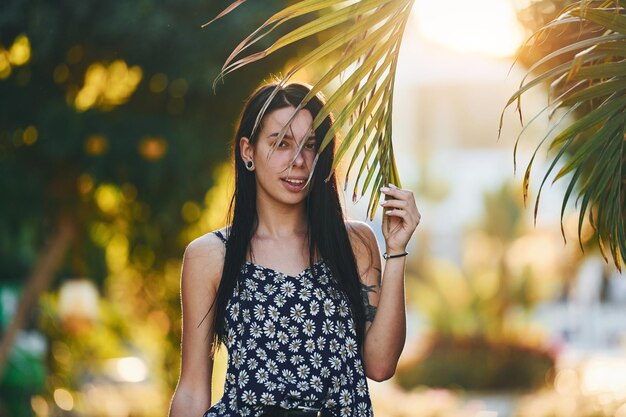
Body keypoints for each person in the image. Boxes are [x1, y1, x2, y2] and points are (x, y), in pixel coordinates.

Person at [168, 82, 420, 417]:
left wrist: (397, 251)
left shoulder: (355, 245)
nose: (298, 160)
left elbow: (380, 366)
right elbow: (191, 390)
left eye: (309, 145)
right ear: (248, 151)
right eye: (281, 143)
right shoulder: (211, 256)